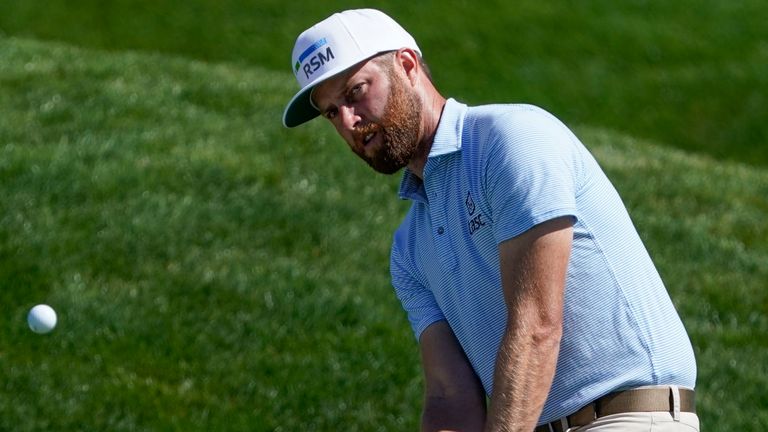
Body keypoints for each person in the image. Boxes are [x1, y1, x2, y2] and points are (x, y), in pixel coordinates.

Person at [282, 8, 699, 432]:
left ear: (406, 66)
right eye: (332, 112)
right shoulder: (408, 248)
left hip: (627, 417)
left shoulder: (512, 140)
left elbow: (536, 326)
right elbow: (450, 400)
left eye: (356, 92)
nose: (349, 122)